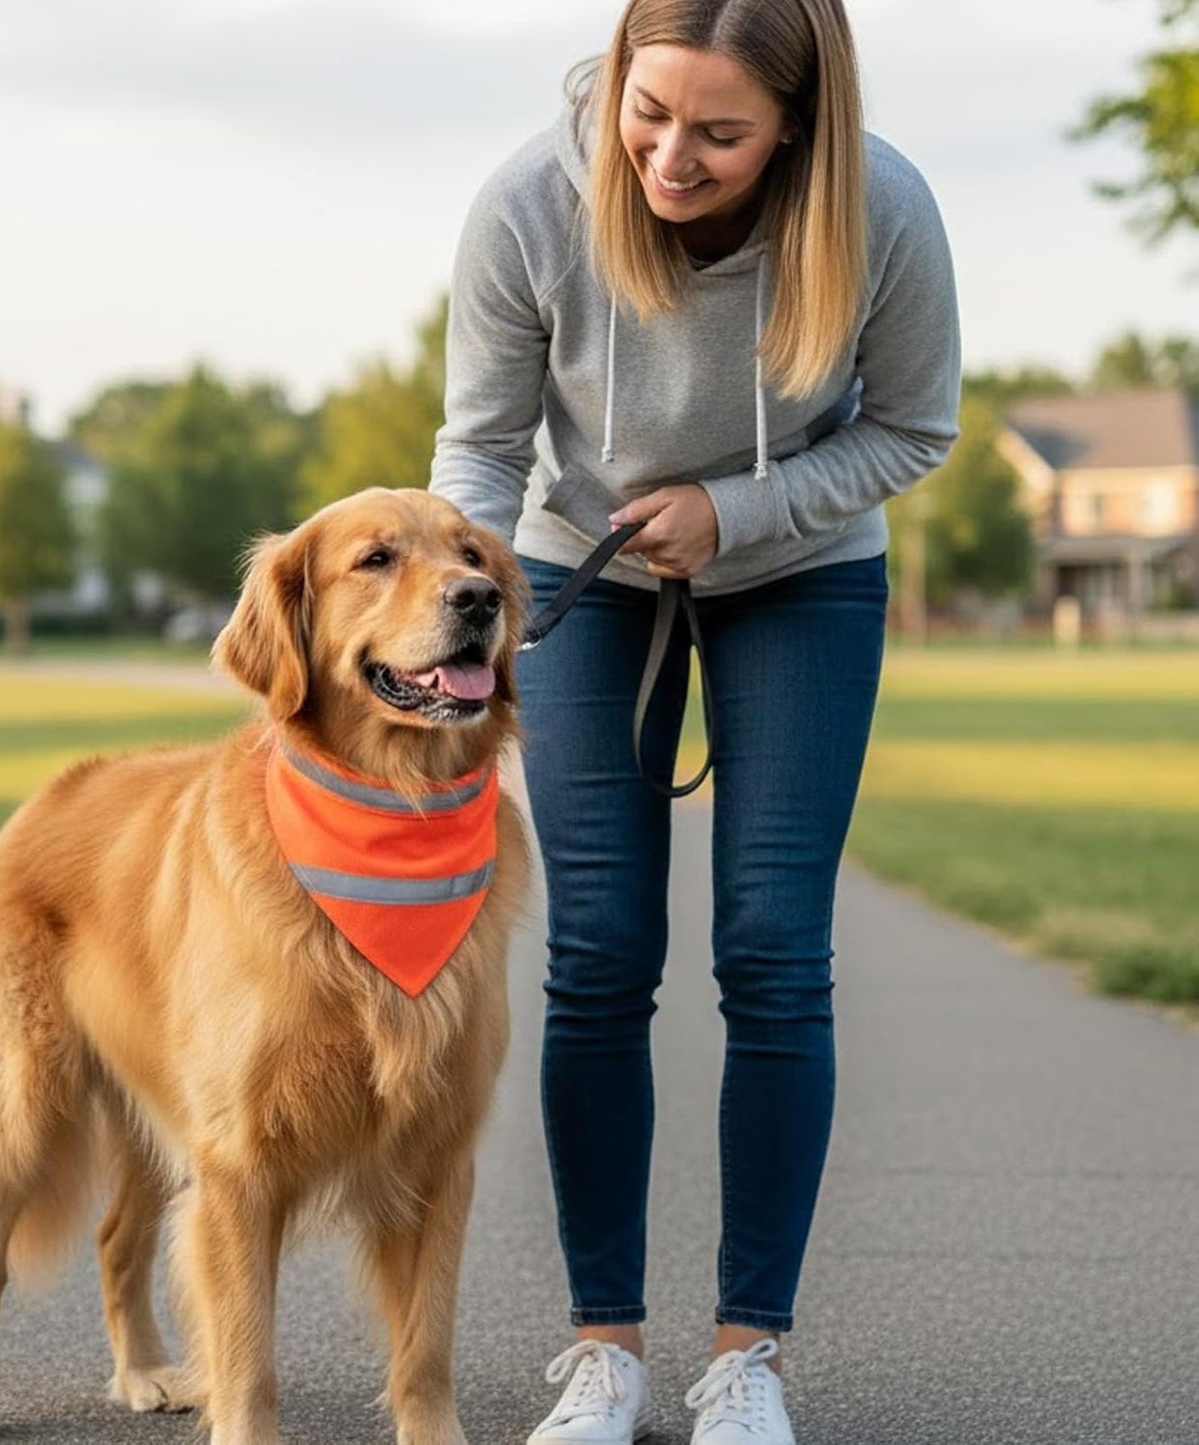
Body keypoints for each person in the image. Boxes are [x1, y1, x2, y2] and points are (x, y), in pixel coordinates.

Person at [428, 0, 959, 1442]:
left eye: (718, 133)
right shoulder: (529, 203)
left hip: (799, 573)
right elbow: (477, 445)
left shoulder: (884, 212)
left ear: (796, 127)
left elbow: (914, 426)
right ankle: (603, 1349)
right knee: (597, 950)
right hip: (576, 571)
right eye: (644, 113)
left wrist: (737, 509)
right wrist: (466, 604)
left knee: (774, 950)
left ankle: (749, 1357)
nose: (666, 156)